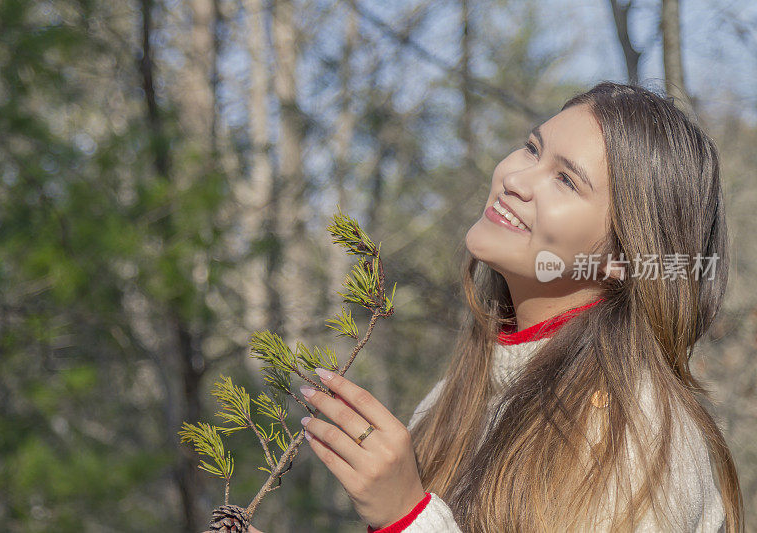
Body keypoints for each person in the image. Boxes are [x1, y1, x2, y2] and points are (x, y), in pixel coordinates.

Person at [254, 81, 743, 532]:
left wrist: (408, 517)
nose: (517, 178)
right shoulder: (459, 392)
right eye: (532, 148)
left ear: (621, 259)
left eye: (567, 180)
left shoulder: (649, 440)